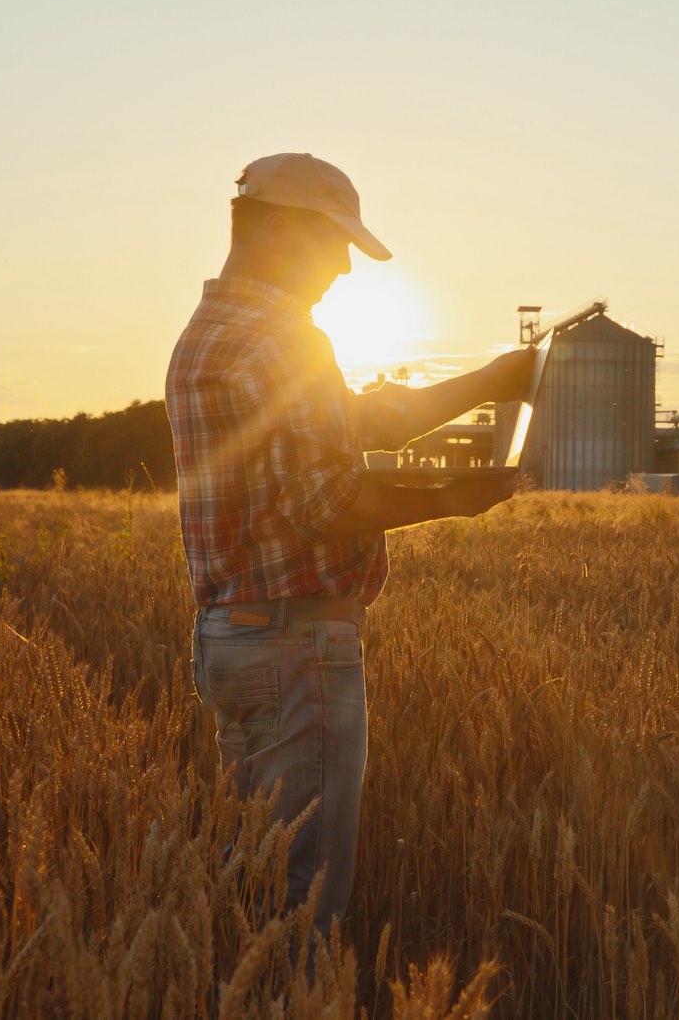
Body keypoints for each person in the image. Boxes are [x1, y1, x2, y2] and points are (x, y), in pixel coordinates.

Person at [165, 152, 531, 936]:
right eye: (334, 244)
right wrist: (452, 499)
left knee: (259, 878)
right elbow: (323, 499)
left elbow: (355, 424)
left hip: (238, 637)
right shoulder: (278, 339)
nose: (342, 269)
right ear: (279, 230)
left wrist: (493, 379)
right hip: (295, 643)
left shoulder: (214, 331)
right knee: (304, 896)